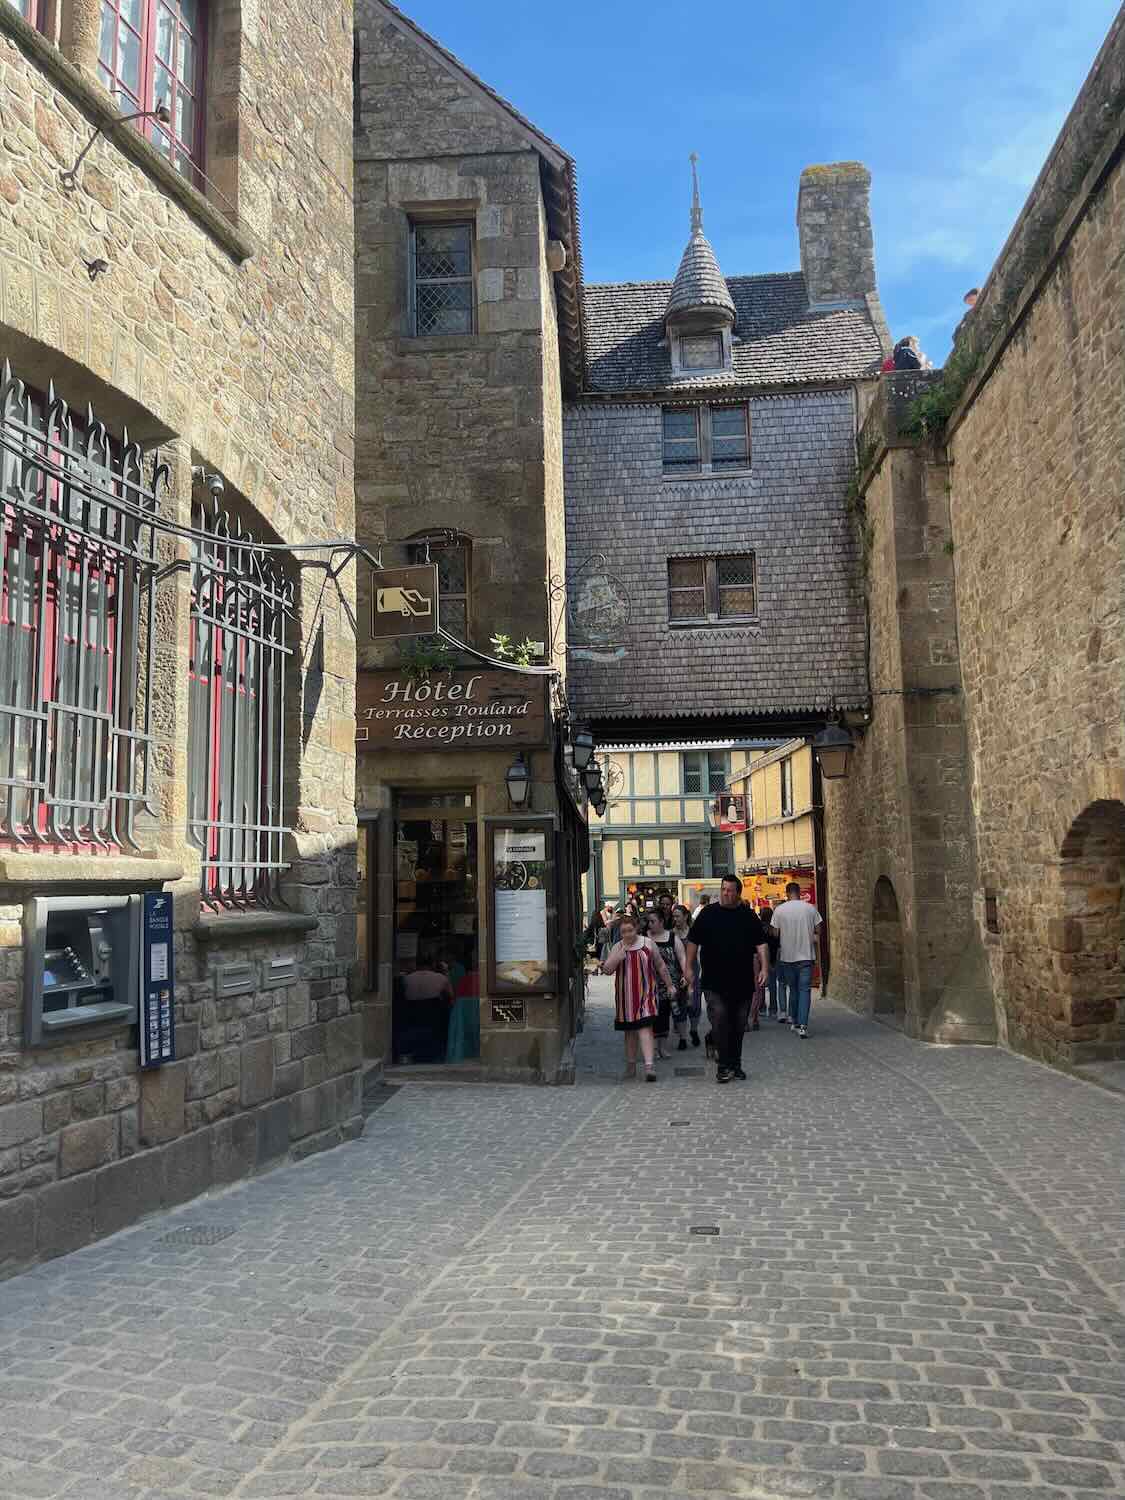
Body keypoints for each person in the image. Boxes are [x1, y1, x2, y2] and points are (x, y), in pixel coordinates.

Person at [683, 875, 769, 1084]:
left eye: (730, 890)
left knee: (739, 1025)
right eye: (723, 889)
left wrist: (765, 968)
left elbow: (761, 944)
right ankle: (723, 1066)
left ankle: (735, 1064)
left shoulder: (748, 916)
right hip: (714, 980)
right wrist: (688, 967)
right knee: (720, 1018)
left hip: (742, 980)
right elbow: (693, 941)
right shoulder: (708, 914)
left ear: (738, 893)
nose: (725, 893)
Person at [601, 913, 675, 1082]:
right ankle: (631, 1065)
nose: (627, 934)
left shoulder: (648, 944)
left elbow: (661, 966)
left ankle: (649, 1067)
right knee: (629, 1032)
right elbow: (607, 970)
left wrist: (670, 985)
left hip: (647, 993)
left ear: (637, 929)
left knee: (645, 1027)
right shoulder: (618, 946)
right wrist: (617, 957)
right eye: (624, 931)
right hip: (626, 997)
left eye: (630, 930)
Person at [772, 882, 824, 1039]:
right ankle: (803, 1026)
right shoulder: (810, 908)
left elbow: (775, 933)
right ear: (799, 892)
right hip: (806, 956)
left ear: (787, 893)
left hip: (787, 957)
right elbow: (819, 930)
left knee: (793, 989)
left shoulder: (779, 910)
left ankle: (794, 1021)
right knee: (804, 990)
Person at [645, 907, 687, 1060]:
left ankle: (662, 1047)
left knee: (664, 1015)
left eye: (653, 921)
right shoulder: (644, 937)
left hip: (669, 983)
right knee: (651, 1016)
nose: (650, 924)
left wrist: (685, 975)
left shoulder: (672, 938)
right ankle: (653, 1048)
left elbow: (682, 957)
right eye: (648, 922)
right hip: (649, 984)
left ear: (661, 922)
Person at [670, 903, 702, 1048]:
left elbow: (700, 954)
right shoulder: (670, 934)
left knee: (694, 1004)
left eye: (678, 916)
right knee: (678, 1006)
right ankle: (682, 1038)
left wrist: (700, 973)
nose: (675, 919)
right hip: (675, 974)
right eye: (674, 916)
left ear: (685, 916)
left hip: (693, 971)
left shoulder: (694, 933)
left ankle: (693, 1030)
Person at [758, 906, 782, 1018]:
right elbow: (778, 947)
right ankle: (773, 1009)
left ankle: (762, 1007)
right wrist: (775, 961)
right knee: (773, 986)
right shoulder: (774, 930)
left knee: (761, 985)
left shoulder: (758, 929)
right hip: (773, 960)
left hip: (761, 961)